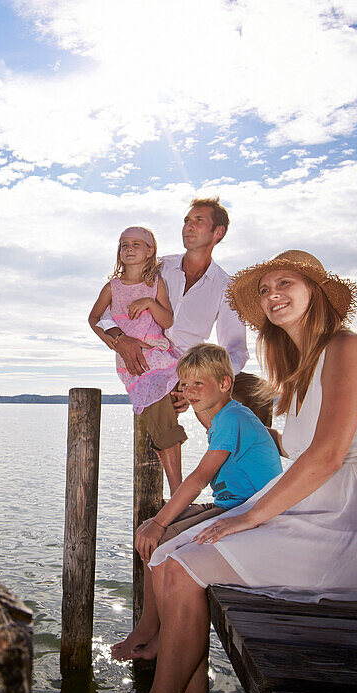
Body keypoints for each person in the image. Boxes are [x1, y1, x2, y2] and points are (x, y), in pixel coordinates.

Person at [132, 250, 357, 693]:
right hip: (320, 507)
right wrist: (217, 410)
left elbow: (327, 455)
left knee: (184, 567)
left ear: (317, 293)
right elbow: (293, 444)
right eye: (266, 290)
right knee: (167, 557)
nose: (273, 295)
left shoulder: (350, 349)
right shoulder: (301, 373)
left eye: (285, 284)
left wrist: (248, 517)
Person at [111, 343, 281, 664]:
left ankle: (156, 632)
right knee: (150, 530)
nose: (188, 392)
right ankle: (152, 626)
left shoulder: (231, 418)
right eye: (184, 384)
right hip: (231, 505)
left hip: (249, 513)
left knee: (160, 538)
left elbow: (199, 478)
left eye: (197, 384)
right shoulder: (223, 415)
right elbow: (201, 410)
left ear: (225, 384)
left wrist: (162, 522)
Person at [98, 198, 272, 497]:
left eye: (198, 221)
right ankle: (179, 498)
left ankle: (249, 488)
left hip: (193, 364)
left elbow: (235, 349)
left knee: (255, 393)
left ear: (218, 233)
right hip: (146, 357)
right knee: (159, 400)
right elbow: (107, 308)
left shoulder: (226, 286)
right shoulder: (157, 266)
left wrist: (198, 381)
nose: (188, 226)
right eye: (186, 220)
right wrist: (120, 340)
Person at [89, 227, 184, 485]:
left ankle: (187, 484)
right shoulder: (113, 287)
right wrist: (113, 341)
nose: (129, 249)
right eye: (124, 245)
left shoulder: (155, 284)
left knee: (181, 395)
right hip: (137, 362)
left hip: (160, 355)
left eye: (136, 244)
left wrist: (150, 303)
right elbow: (94, 318)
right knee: (161, 415)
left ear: (150, 251)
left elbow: (167, 320)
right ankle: (179, 489)